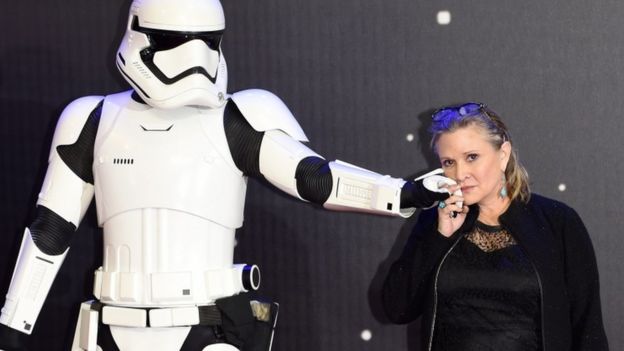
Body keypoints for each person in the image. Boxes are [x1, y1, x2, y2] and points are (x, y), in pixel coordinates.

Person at [0, 1, 450, 350]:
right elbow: (50, 228)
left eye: (206, 41)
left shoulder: (239, 117)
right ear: (141, 36)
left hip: (209, 325)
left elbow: (315, 179)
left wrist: (405, 193)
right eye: (175, 40)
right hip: (111, 324)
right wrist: (15, 322)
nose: (193, 57)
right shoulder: (93, 119)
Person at [382, 102, 609, 351]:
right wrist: (439, 236)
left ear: (503, 155)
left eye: (471, 157)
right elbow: (396, 309)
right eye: (449, 162)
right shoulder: (436, 220)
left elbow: (588, 328)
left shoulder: (558, 221)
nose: (460, 173)